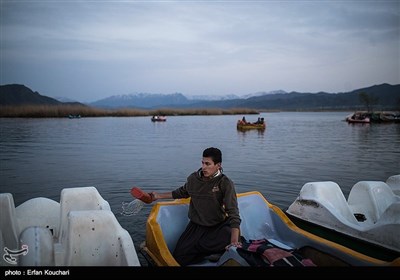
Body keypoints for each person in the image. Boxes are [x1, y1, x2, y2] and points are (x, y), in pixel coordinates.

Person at [150, 147, 242, 266]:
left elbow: (233, 212)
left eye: (208, 164)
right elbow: (181, 192)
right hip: (196, 227)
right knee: (180, 258)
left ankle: (217, 250)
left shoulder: (225, 183)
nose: (204, 167)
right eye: (203, 163)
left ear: (218, 165)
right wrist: (157, 195)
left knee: (232, 236)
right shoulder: (193, 179)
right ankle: (208, 252)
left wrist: (234, 242)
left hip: (217, 226)